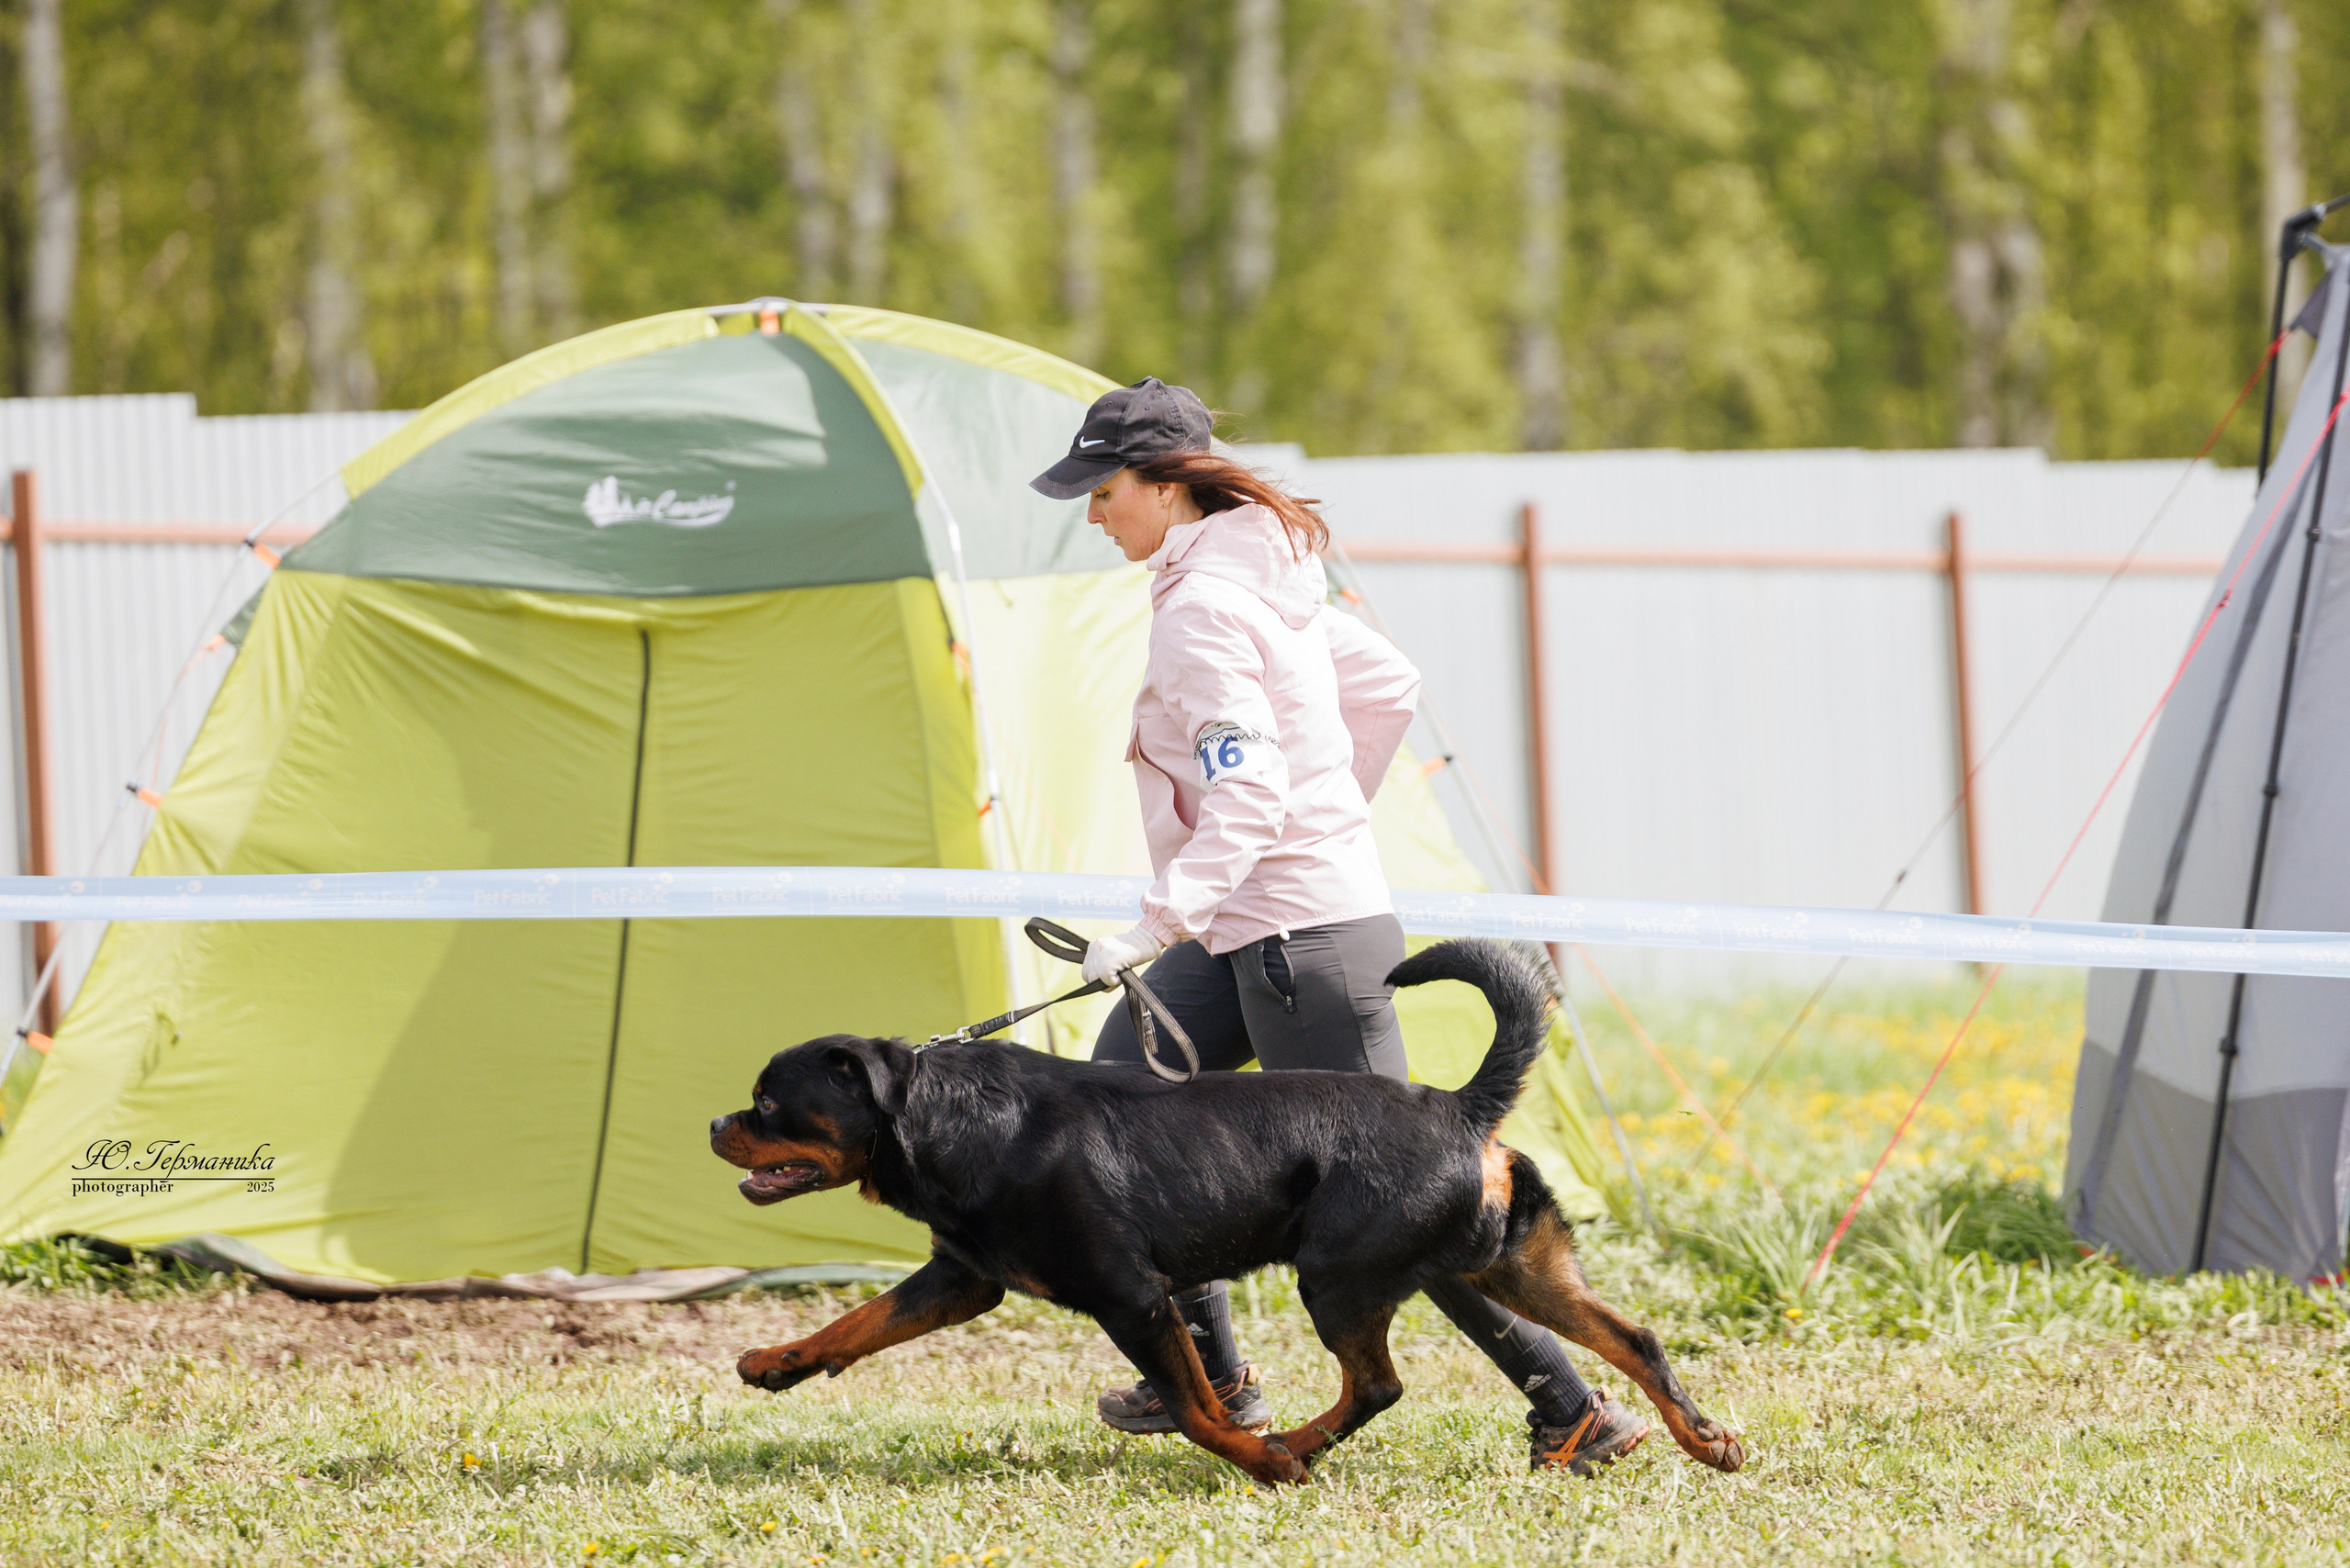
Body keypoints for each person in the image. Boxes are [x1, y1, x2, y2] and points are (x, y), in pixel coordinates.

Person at [1027, 378, 1649, 1475]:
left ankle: (1575, 1407)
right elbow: (1385, 681)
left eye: (1105, 489)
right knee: (1119, 1111)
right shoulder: (1259, 580)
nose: (1092, 513)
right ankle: (1210, 1378)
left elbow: (1252, 793)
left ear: (1168, 488)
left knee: (1411, 1202)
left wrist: (1169, 912)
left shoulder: (1210, 607)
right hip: (1244, 926)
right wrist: (1322, 817)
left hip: (1297, 939)